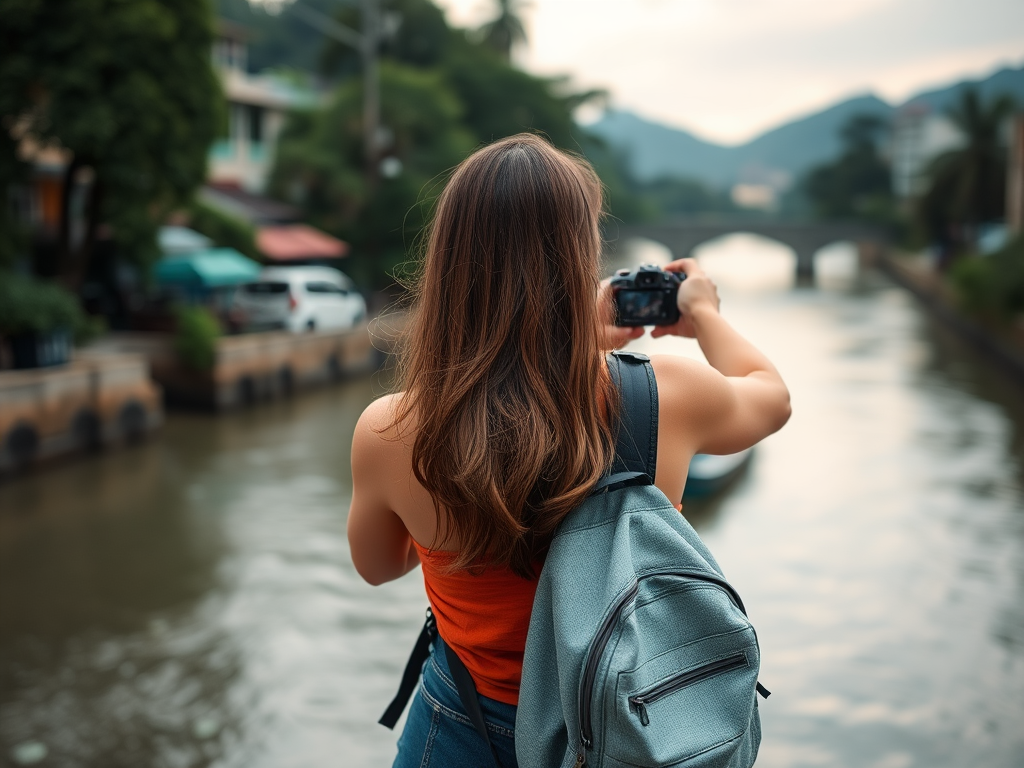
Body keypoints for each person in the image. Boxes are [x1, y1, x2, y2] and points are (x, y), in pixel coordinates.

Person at [347, 134, 791, 767]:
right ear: (581, 253)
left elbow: (378, 565)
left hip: (461, 723)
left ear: (446, 264)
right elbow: (772, 398)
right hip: (614, 726)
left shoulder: (389, 429)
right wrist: (704, 314)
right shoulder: (662, 393)